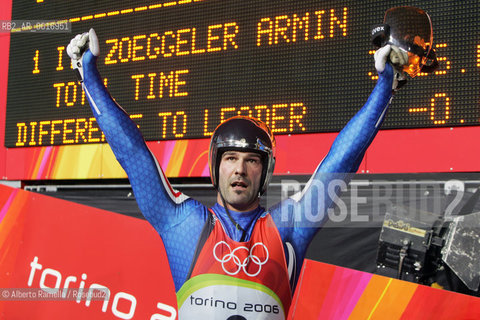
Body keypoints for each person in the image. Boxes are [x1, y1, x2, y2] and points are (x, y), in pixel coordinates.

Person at [67, 28, 407, 319]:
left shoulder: (290, 227)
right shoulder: (183, 224)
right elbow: (132, 153)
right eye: (230, 157)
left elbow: (341, 161)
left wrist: (384, 87)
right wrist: (89, 75)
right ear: (216, 167)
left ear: (265, 171)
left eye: (252, 160)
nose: (240, 169)